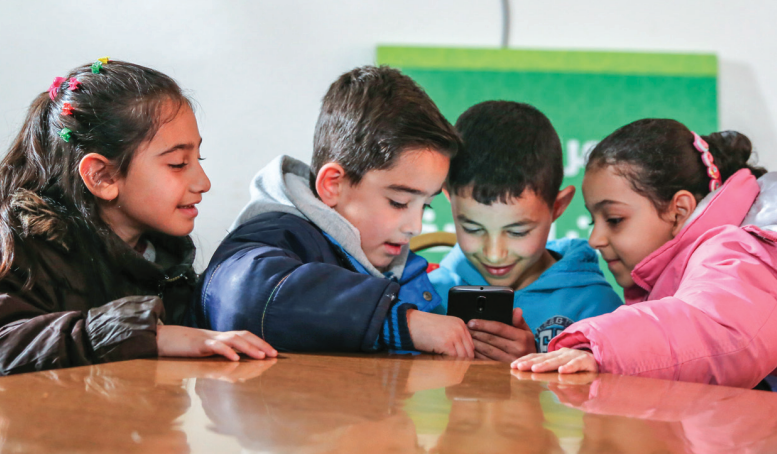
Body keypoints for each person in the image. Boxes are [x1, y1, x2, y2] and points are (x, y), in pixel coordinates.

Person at [0, 59, 276, 374]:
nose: (204, 183)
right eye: (177, 163)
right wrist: (142, 333)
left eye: (197, 158)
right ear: (102, 176)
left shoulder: (163, 262)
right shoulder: (20, 247)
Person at [191, 65, 474, 357]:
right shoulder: (276, 236)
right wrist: (398, 321)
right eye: (399, 202)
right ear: (332, 185)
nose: (415, 225)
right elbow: (242, 295)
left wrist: (481, 342)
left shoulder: (392, 262)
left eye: (424, 205)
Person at [512, 118, 777, 388]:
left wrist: (600, 349)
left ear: (679, 211)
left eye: (614, 219)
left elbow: (719, 331)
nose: (595, 240)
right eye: (594, 221)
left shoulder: (745, 251)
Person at [429, 101, 622, 362]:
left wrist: (536, 364)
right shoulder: (427, 296)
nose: (494, 254)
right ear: (450, 201)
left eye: (518, 232)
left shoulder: (599, 309)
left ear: (558, 207)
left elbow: (608, 397)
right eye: (472, 228)